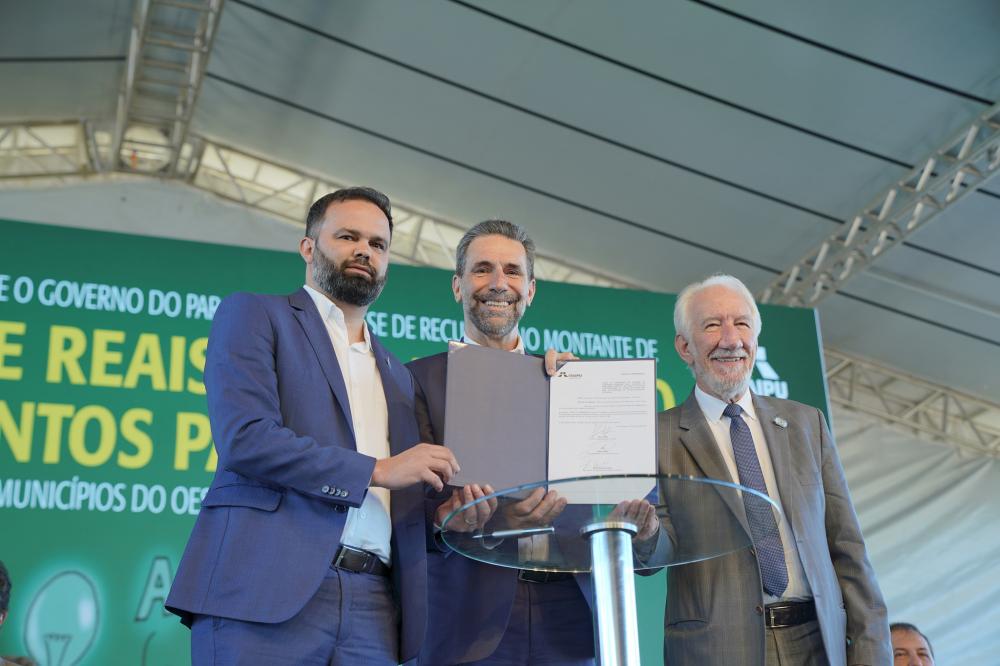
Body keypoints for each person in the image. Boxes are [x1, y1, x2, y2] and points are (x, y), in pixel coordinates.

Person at [165, 187, 460, 665]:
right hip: (263, 591)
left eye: (378, 244)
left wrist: (447, 522)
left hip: (374, 604)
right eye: (347, 236)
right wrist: (376, 471)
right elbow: (246, 438)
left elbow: (405, 496)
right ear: (309, 247)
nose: (364, 250)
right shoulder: (257, 315)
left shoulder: (398, 375)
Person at [408, 220, 660, 665]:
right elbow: (407, 506)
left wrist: (639, 518)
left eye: (512, 271)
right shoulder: (417, 380)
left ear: (531, 289)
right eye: (482, 270)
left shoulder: (570, 380)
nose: (498, 284)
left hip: (573, 616)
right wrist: (453, 517)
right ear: (457, 285)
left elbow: (634, 507)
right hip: (468, 620)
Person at [657, 274, 890, 665]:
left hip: (817, 642)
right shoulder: (656, 435)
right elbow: (653, 555)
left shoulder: (806, 423)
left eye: (742, 324)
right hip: (717, 651)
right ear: (685, 347)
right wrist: (642, 531)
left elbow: (847, 548)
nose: (731, 340)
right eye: (712, 325)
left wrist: (871, 651)